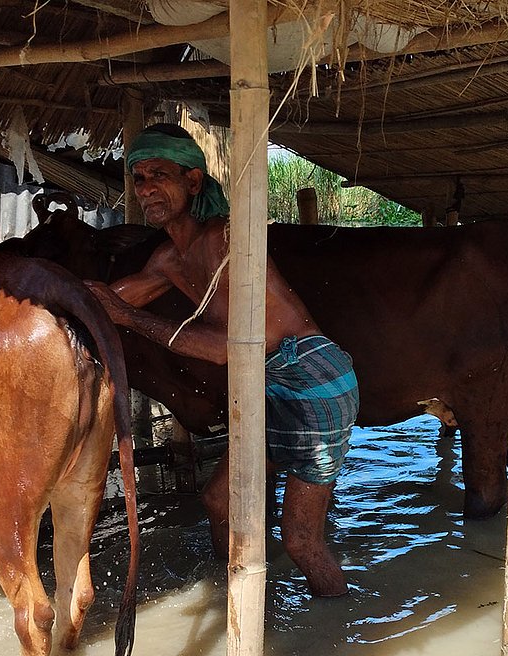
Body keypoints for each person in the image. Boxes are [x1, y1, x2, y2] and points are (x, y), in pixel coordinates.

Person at [86, 124, 359, 597]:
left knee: (300, 541)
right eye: (139, 178)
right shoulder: (169, 258)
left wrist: (130, 319)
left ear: (193, 181)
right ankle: (232, 594)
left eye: (159, 175)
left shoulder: (224, 239)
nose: (145, 188)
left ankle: (336, 619)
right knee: (217, 501)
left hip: (312, 378)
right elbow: (109, 301)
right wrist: (55, 299)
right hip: (269, 383)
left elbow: (230, 348)